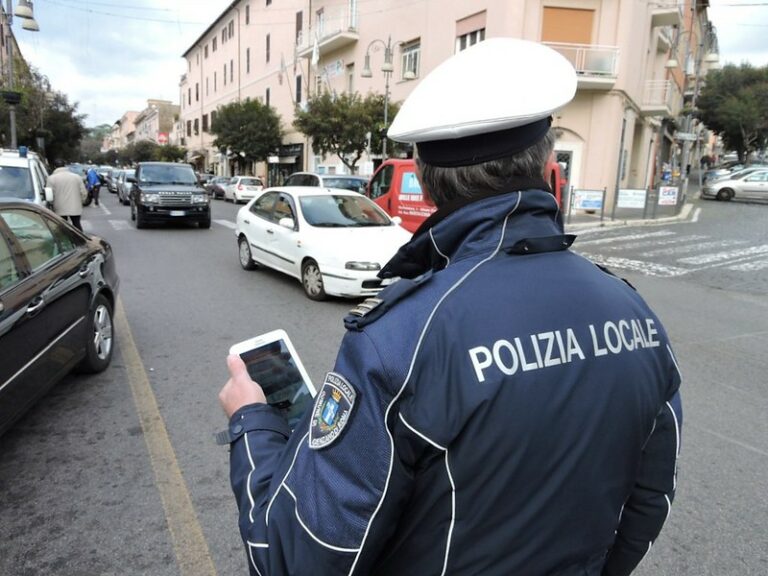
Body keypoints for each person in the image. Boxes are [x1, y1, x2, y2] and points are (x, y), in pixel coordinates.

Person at [218, 38, 682, 576]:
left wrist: (252, 421)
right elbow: (649, 502)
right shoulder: (634, 312)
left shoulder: (401, 340)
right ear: (549, 163)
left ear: (426, 176)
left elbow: (297, 560)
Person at [48, 159, 88, 231]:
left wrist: (52, 204)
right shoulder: (76, 177)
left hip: (59, 206)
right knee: (76, 224)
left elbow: (49, 195)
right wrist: (81, 202)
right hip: (75, 206)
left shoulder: (51, 178)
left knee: (62, 227)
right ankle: (80, 240)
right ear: (64, 166)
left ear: (54, 167)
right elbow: (84, 192)